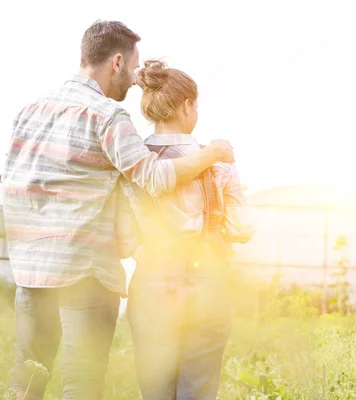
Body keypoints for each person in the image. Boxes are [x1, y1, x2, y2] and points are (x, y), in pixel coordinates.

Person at [2, 20, 234, 400]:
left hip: (31, 270)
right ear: (117, 61)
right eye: (132, 66)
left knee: (27, 375)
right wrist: (211, 154)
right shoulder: (107, 116)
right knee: (82, 381)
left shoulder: (29, 110)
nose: (132, 78)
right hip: (85, 271)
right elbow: (155, 177)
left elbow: (11, 183)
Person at [121, 59, 255, 400]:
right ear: (186, 105)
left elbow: (122, 239)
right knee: (198, 387)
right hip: (208, 283)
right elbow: (242, 228)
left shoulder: (131, 163)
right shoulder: (217, 160)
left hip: (151, 285)